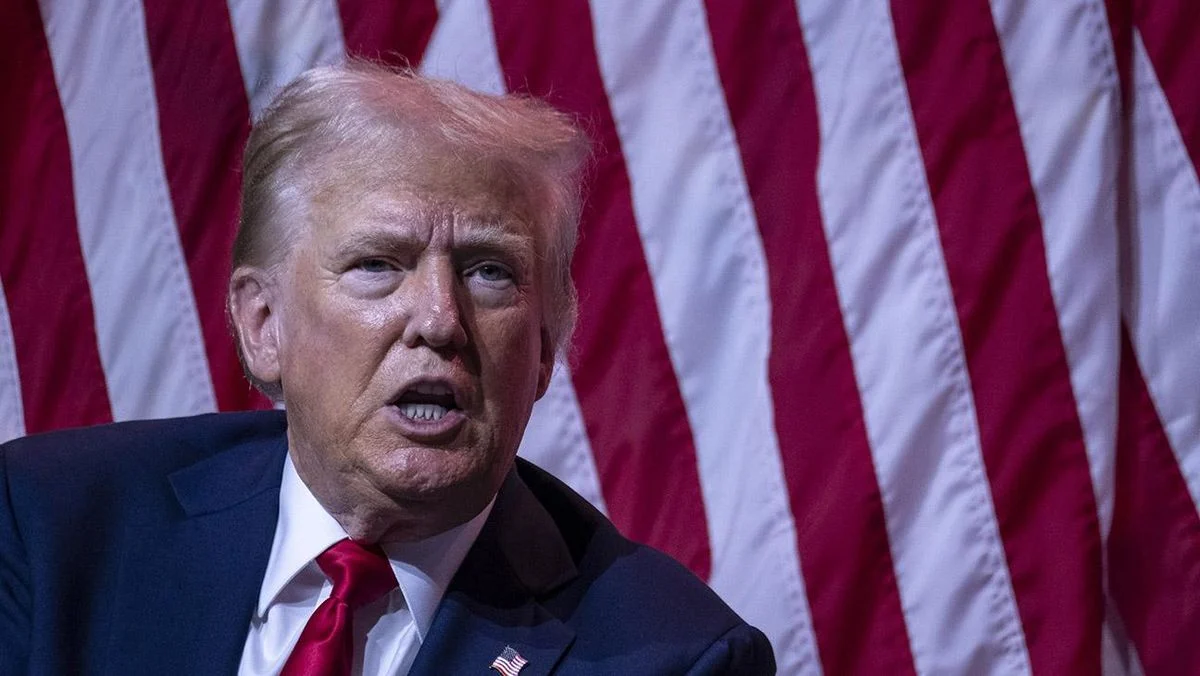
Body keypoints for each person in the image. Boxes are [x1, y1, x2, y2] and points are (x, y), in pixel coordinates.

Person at [0, 62, 775, 675]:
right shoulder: (53, 526)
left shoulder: (670, 655)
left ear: (544, 346)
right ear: (263, 325)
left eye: (489, 273)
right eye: (378, 265)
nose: (440, 319)